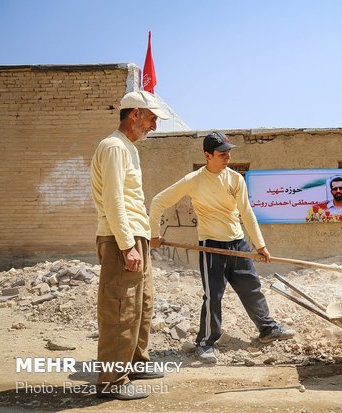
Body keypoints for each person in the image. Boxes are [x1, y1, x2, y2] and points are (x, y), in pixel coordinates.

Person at [149, 131, 295, 364]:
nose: (228, 156)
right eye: (222, 153)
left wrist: (260, 245)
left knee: (251, 288)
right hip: (211, 247)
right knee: (213, 296)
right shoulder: (194, 180)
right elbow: (158, 202)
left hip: (238, 244)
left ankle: (267, 329)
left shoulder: (235, 179)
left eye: (229, 152)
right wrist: (154, 235)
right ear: (208, 155)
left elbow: (247, 213)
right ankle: (206, 342)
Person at [90, 90, 170, 399]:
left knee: (141, 305)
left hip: (135, 236)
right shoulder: (113, 147)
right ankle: (111, 381)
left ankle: (135, 363)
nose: (154, 126)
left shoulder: (128, 148)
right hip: (119, 239)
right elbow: (114, 200)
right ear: (134, 114)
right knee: (120, 309)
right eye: (151, 118)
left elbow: (131, 201)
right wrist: (127, 245)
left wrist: (145, 237)